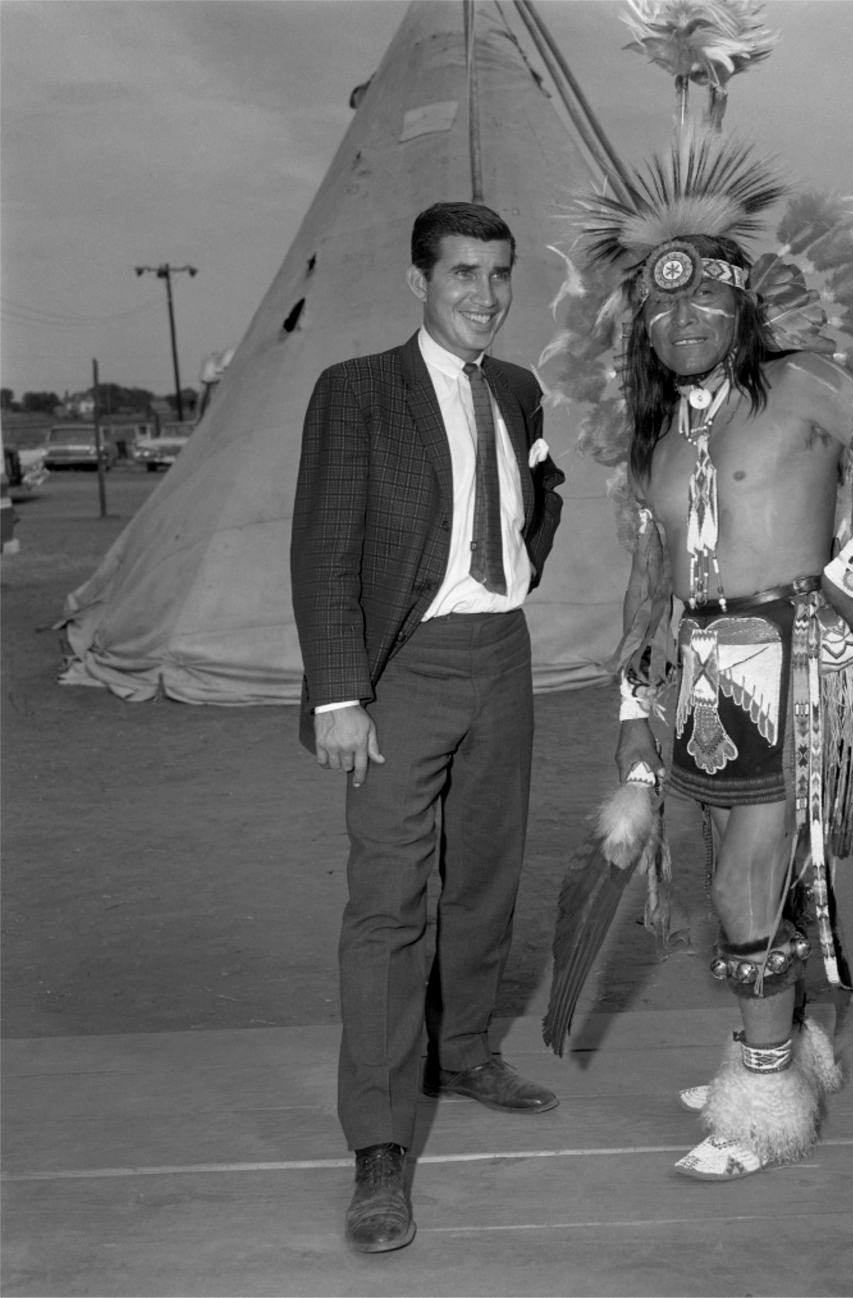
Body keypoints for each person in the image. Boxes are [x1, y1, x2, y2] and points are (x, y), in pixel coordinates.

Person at [557, 146, 853, 1182]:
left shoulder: (804, 384)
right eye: (658, 310)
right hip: (701, 677)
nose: (680, 322)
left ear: (741, 305)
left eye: (702, 302)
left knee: (747, 884)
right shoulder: (655, 442)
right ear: (640, 328)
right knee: (751, 880)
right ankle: (785, 1040)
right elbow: (654, 591)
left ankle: (765, 1093)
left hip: (800, 664)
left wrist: (847, 584)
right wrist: (635, 726)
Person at [291, 201, 565, 1252]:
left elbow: (541, 494)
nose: (485, 295)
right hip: (401, 667)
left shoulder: (519, 387)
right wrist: (338, 692)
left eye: (498, 274)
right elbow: (323, 550)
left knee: (487, 875)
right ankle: (379, 1143)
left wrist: (521, 559)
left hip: (502, 654)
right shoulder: (356, 391)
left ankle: (461, 1052)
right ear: (419, 279)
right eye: (462, 274)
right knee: (388, 903)